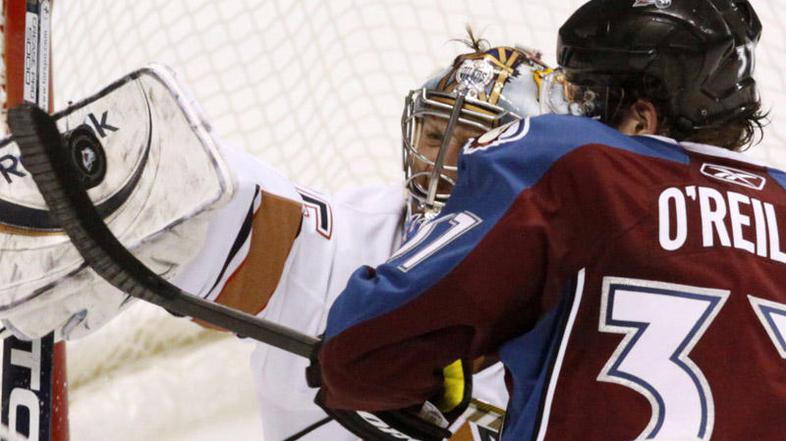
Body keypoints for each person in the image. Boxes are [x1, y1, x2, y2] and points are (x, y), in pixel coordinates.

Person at [0, 33, 566, 441]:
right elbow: (246, 226)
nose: (441, 165)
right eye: (437, 133)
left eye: (474, 144)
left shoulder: (592, 285)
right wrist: (146, 204)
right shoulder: (360, 251)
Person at [316, 1, 775, 440]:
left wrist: (420, 381)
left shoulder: (574, 158)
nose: (577, 115)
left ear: (641, 121)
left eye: (589, 101)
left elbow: (361, 354)